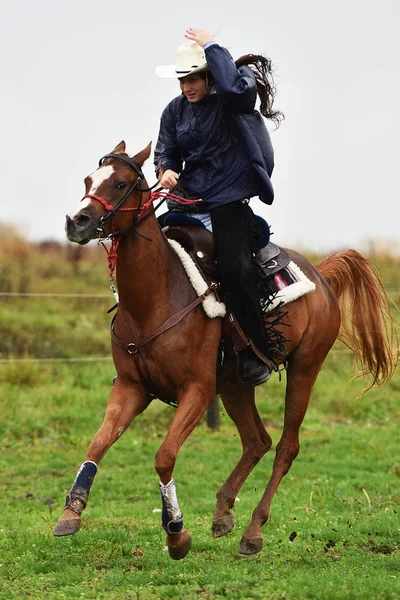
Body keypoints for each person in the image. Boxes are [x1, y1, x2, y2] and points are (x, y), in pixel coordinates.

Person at [154, 28, 283, 385]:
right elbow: (166, 148)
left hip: (228, 202)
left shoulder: (231, 100)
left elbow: (234, 90)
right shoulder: (174, 111)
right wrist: (165, 169)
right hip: (187, 201)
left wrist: (212, 46)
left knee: (234, 267)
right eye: (182, 80)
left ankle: (256, 353)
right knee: (148, 253)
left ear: (210, 74)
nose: (186, 87)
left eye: (193, 78)